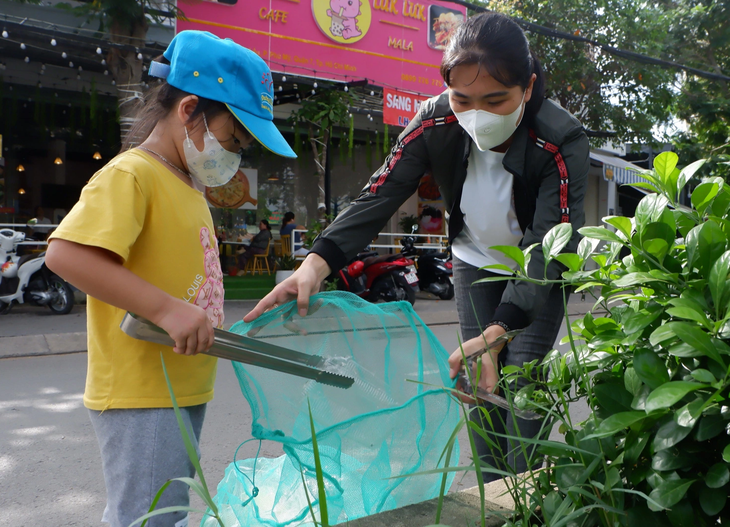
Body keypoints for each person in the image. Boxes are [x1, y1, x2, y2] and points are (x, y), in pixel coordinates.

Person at [245, 12, 589, 482]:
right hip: (473, 263)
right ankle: (496, 498)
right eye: (463, 99)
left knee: (522, 382)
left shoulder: (560, 137)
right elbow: (380, 192)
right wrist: (316, 263)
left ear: (527, 88)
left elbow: (551, 241)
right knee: (478, 388)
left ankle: (528, 497)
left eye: (495, 100)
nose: (477, 116)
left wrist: (499, 330)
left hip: (535, 272)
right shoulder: (433, 120)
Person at [45, 30, 296, 527]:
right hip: (143, 391)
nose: (235, 154)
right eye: (233, 139)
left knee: (168, 515)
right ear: (189, 111)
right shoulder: (133, 174)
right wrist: (163, 309)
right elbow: (66, 254)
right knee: (147, 519)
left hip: (181, 385)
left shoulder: (188, 185)